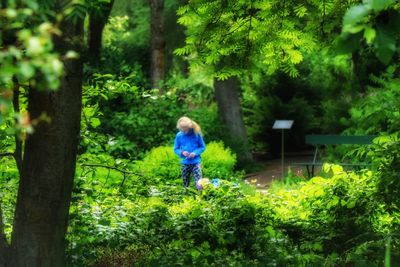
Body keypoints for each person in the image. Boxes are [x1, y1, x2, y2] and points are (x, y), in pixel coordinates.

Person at [173, 116, 206, 189]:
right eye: (181, 129)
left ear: (189, 127)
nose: (183, 131)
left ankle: (200, 196)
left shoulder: (196, 134)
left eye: (185, 129)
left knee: (198, 182)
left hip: (196, 162)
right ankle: (186, 196)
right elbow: (176, 148)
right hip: (185, 163)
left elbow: (202, 147)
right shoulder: (179, 135)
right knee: (185, 182)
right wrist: (182, 152)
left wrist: (195, 153)